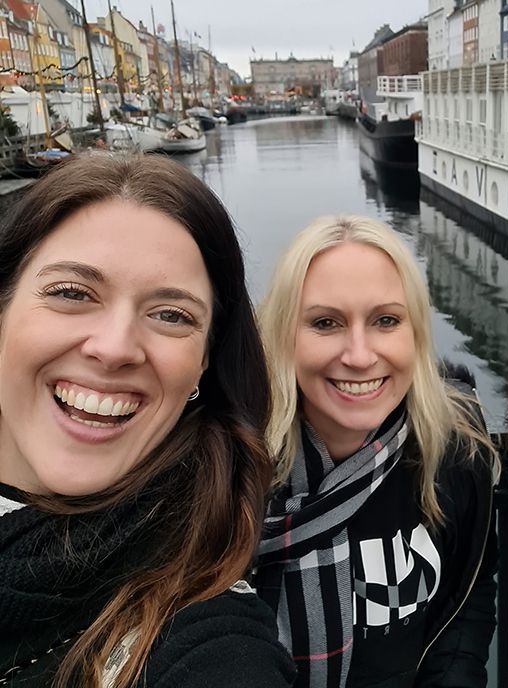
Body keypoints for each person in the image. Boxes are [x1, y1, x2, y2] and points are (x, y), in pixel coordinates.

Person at [0, 152, 296, 688]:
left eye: (171, 316)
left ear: (206, 359)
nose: (114, 348)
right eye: (72, 293)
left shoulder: (210, 639)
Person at [255, 214, 498, 688]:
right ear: (285, 334)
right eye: (325, 323)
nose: (360, 355)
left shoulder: (454, 442)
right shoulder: (232, 466)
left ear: (416, 333)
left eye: (386, 320)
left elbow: (467, 597)